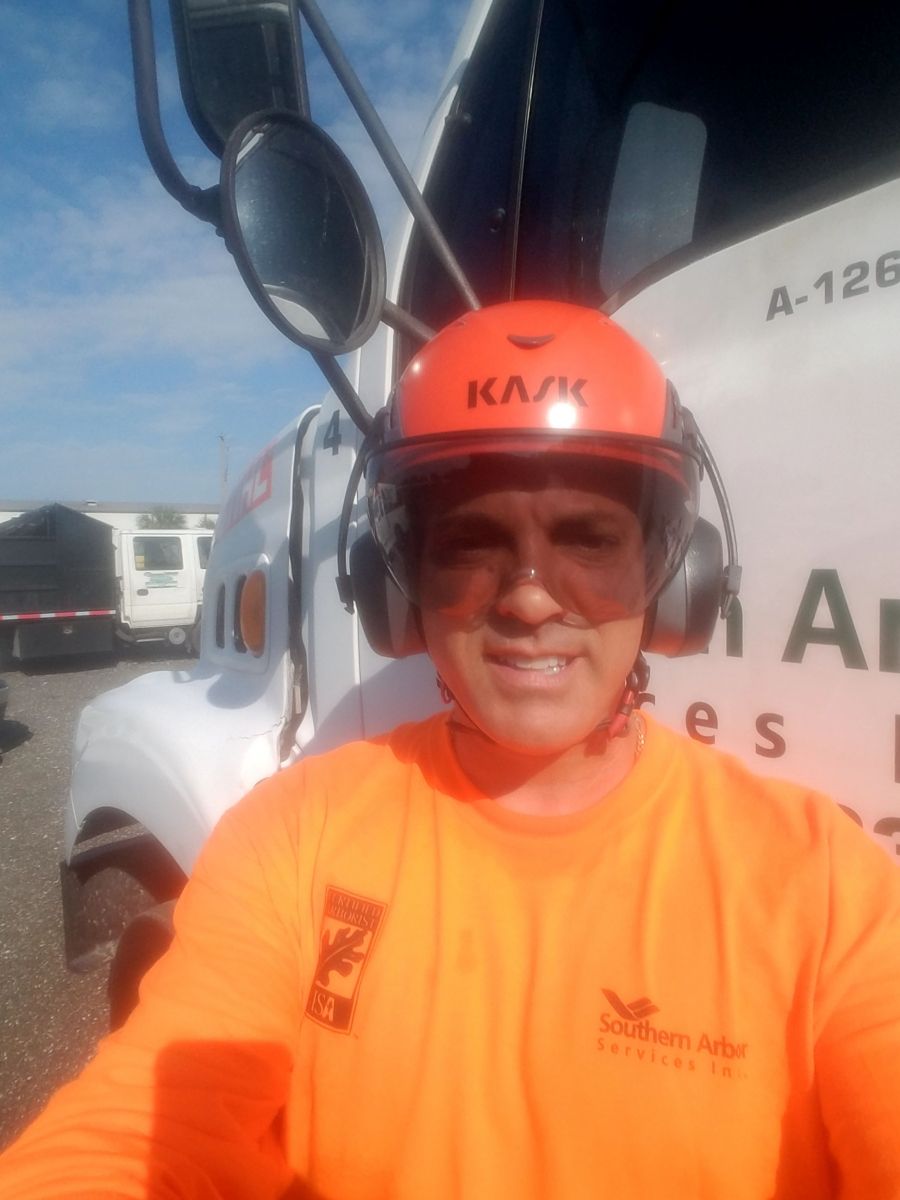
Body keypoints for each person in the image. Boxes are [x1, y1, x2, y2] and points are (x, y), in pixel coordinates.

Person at [1, 300, 899, 1199]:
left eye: (589, 540)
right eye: (470, 544)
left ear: (679, 580)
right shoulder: (289, 841)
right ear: (397, 590)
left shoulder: (827, 891)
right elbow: (142, 1123)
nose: (530, 600)